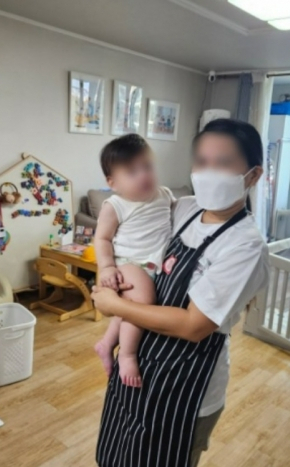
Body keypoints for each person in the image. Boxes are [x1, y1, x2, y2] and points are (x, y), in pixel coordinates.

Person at [92, 119, 270, 467]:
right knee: (120, 453)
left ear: (252, 175)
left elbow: (193, 326)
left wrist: (115, 305)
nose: (209, 172)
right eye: (201, 162)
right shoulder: (185, 208)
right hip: (141, 364)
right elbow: (135, 234)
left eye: (223, 163)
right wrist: (109, 268)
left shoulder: (246, 246)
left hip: (186, 386)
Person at [93, 134, 174, 388]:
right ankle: (127, 354)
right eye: (132, 171)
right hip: (130, 263)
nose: (143, 175)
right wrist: (106, 267)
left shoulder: (165, 195)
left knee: (128, 307)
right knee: (142, 301)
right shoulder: (115, 205)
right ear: (113, 182)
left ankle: (106, 343)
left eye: (147, 167)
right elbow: (102, 239)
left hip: (153, 262)